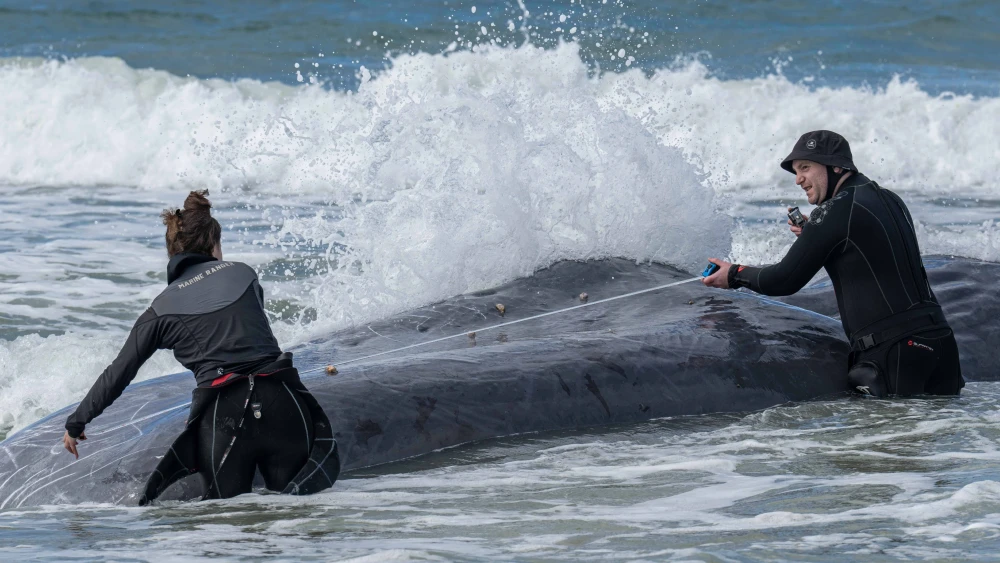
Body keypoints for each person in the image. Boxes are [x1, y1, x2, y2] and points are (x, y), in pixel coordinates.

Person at [61, 190, 339, 503]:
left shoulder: (159, 310)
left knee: (223, 532)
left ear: (173, 254)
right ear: (212, 245)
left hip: (224, 416)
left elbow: (119, 373)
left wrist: (76, 423)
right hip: (284, 402)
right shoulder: (244, 273)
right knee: (299, 521)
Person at [703, 130, 963, 398]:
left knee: (890, 440)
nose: (798, 179)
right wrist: (817, 234)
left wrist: (734, 274)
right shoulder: (890, 199)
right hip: (941, 344)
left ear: (837, 166)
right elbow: (870, 254)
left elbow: (783, 279)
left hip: (896, 352)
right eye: (795, 170)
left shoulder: (835, 210)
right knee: (938, 434)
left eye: (806, 167)